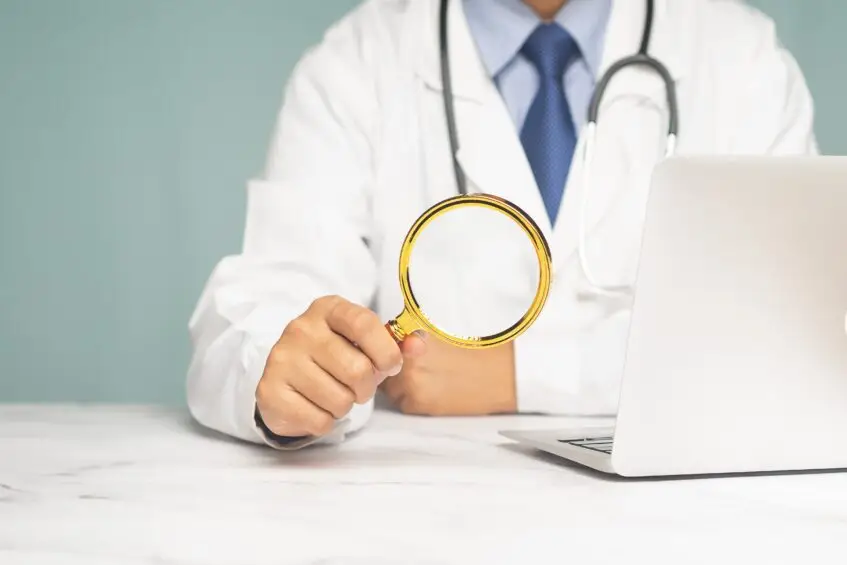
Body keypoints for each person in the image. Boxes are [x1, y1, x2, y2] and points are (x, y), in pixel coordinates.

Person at [186, 0, 817, 450]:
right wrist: (284, 375)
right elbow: (266, 302)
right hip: (428, 521)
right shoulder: (358, 60)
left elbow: (796, 339)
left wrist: (522, 374)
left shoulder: (743, 59)